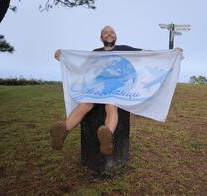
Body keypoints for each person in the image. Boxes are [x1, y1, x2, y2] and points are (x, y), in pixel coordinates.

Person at [51, 25, 183, 155]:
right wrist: (63, 58)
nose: (109, 34)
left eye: (112, 32)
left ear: (116, 36)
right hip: (96, 86)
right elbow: (81, 68)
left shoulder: (124, 49)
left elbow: (145, 53)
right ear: (101, 37)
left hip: (116, 87)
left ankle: (106, 137)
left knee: (111, 105)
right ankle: (64, 131)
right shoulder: (95, 53)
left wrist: (170, 53)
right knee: (85, 104)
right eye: (105, 33)